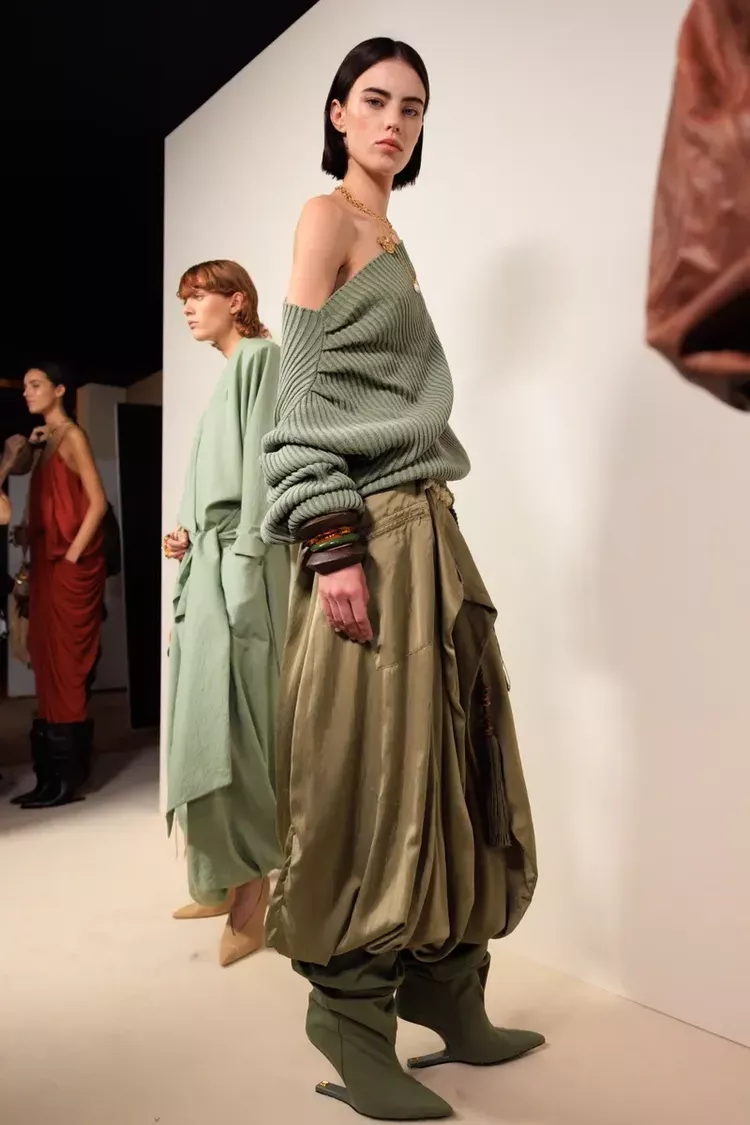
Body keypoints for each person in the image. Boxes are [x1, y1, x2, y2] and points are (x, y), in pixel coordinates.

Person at [261, 37, 543, 1122]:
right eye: (374, 101)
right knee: (369, 779)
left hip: (427, 527)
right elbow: (297, 396)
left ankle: (449, 995)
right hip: (368, 531)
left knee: (454, 765)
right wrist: (330, 540)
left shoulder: (388, 232)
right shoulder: (327, 218)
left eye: (413, 107)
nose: (394, 121)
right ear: (337, 114)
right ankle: (350, 1023)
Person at [164, 259, 290, 967]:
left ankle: (253, 895)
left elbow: (264, 470)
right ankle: (215, 875)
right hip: (209, 562)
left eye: (199, 296)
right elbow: (217, 475)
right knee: (200, 717)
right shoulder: (228, 373)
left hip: (240, 565)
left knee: (238, 725)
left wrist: (244, 560)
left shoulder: (260, 359)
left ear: (236, 301)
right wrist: (185, 532)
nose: (188, 308)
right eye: (183, 299)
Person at [7, 364, 108, 809]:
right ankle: (48, 775)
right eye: (25, 386)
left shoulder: (72, 436)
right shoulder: (45, 441)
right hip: (47, 567)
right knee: (47, 663)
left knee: (66, 667)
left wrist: (70, 558)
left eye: (36, 385)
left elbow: (97, 502)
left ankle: (68, 777)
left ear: (60, 389)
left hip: (68, 566)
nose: (27, 392)